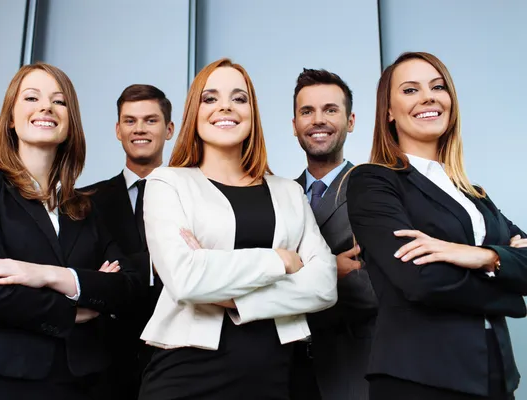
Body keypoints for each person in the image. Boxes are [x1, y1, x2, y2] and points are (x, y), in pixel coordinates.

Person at [0, 63, 143, 400]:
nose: (46, 107)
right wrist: (74, 306)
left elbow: (128, 286)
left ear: (69, 123)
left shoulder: (86, 209)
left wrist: (43, 274)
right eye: (31, 97)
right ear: (11, 118)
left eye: (59, 101)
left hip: (80, 383)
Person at [137, 58, 338, 400]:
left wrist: (227, 292)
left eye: (239, 98)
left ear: (252, 113)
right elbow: (185, 279)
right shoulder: (167, 182)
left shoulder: (288, 191)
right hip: (186, 376)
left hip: (275, 377)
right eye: (210, 98)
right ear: (194, 113)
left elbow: (324, 286)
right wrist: (279, 261)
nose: (225, 106)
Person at [346, 51, 527, 400]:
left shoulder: (473, 194)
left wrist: (481, 257)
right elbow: (419, 281)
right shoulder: (374, 182)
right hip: (420, 378)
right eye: (411, 90)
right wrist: (511, 294)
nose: (428, 96)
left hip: (495, 373)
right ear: (388, 111)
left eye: (437, 86)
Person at [82, 84, 174, 399]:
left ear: (169, 129)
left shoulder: (196, 195)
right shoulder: (84, 201)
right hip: (104, 360)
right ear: (118, 130)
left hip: (176, 354)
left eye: (150, 120)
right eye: (130, 121)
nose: (139, 129)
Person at [290, 68, 377, 400]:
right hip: (285, 370)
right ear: (295, 124)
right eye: (307, 111)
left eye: (330, 109)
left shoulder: (374, 189)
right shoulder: (278, 196)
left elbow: (371, 287)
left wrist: (290, 271)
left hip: (353, 366)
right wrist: (329, 269)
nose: (318, 120)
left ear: (350, 121)